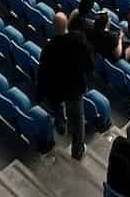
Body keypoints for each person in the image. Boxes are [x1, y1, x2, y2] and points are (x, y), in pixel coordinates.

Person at [37, 11, 94, 157]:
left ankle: (61, 123)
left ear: (54, 27)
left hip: (57, 89)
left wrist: (40, 94)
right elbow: (89, 63)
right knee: (78, 118)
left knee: (58, 106)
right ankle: (77, 150)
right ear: (67, 22)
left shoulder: (49, 48)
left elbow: (42, 73)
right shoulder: (79, 39)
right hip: (75, 88)